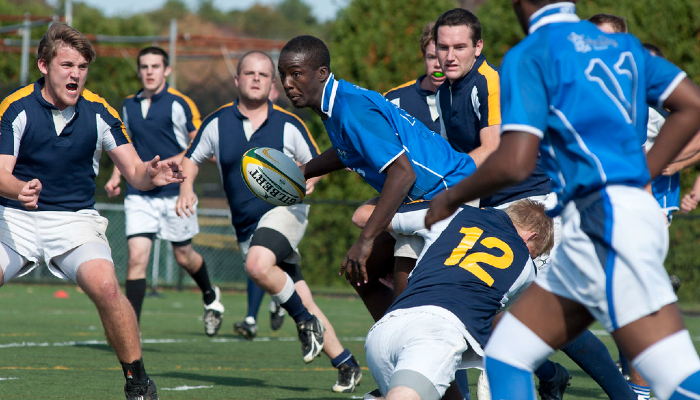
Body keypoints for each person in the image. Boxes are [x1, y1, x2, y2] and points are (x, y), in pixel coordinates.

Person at [425, 1, 700, 399]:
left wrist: (452, 196)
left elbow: (516, 162)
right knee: (506, 353)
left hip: (608, 223)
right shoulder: (621, 45)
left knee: (677, 382)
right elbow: (692, 105)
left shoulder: (531, 53)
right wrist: (643, 173)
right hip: (606, 221)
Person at [0, 22, 187, 400]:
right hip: (14, 219)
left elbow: (135, 171)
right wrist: (21, 188)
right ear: (43, 65)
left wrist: (153, 174)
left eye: (82, 67)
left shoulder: (100, 111)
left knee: (105, 285)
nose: (76, 75)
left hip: (74, 221)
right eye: (67, 65)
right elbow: (1, 172)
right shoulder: (15, 107)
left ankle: (138, 381)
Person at [176, 50, 363, 393]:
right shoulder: (216, 123)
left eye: (264, 74)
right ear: (237, 80)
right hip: (247, 229)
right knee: (298, 292)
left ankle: (304, 323)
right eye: (250, 73)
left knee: (258, 264)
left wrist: (309, 181)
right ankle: (346, 363)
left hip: (286, 214)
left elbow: (316, 164)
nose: (257, 78)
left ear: (272, 83)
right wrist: (186, 188)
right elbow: (191, 160)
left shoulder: (289, 124)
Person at [277, 35, 478, 320]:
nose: (287, 83)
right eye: (283, 75)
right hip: (424, 197)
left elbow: (403, 172)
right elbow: (346, 149)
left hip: (448, 194)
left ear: (321, 73)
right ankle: (397, 345)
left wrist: (366, 240)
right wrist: (305, 171)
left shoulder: (350, 109)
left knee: (415, 307)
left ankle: (538, 363)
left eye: (296, 74)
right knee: (364, 275)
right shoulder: (338, 104)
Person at [365, 199, 553, 400]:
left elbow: (362, 215)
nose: (532, 257)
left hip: (385, 329)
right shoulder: (527, 269)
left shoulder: (454, 213)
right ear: (531, 236)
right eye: (536, 251)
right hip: (436, 333)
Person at [103, 46, 224, 337]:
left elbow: (202, 146)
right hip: (140, 192)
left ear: (166, 70)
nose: (149, 72)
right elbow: (126, 147)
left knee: (184, 256)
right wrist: (116, 175)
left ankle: (210, 295)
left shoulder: (180, 104)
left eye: (155, 66)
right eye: (144, 66)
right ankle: (130, 330)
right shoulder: (128, 105)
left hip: (174, 193)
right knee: (136, 258)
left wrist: (176, 163)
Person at [384, 21, 445, 134]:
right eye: (431, 57)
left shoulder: (472, 97)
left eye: (443, 57)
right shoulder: (395, 102)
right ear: (424, 58)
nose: (438, 64)